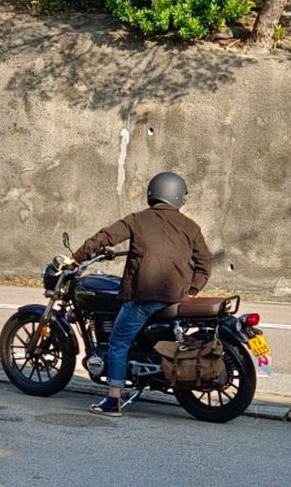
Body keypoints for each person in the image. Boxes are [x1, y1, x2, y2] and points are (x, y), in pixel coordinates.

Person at [71, 171, 212, 417]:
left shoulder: (138, 220)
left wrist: (76, 258)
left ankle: (113, 400)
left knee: (117, 342)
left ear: (153, 192)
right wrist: (191, 290)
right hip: (176, 299)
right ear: (178, 197)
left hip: (145, 298)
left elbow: (105, 237)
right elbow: (204, 263)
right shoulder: (190, 227)